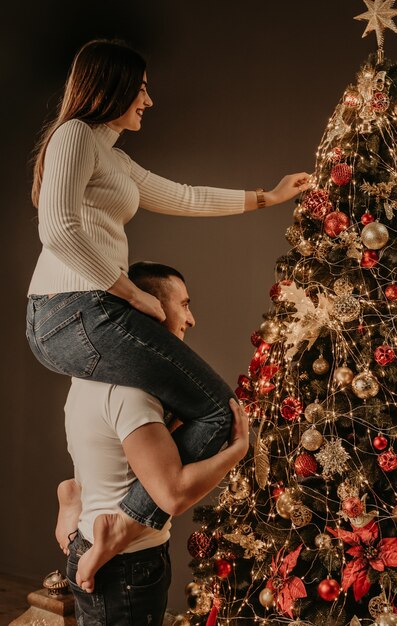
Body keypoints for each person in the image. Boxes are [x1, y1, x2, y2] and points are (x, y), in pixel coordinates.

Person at [25, 38, 309, 580]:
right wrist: (130, 292)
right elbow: (58, 229)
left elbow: (185, 196)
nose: (148, 101)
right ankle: (120, 524)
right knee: (219, 412)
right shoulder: (73, 137)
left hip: (86, 312)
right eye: (142, 88)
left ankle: (86, 517)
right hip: (70, 310)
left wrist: (266, 198)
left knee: (191, 409)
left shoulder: (112, 156)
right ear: (109, 87)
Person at [58, 261, 250, 624]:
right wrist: (236, 450)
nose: (191, 319)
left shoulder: (86, 374)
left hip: (88, 539)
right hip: (127, 566)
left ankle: (74, 496)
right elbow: (173, 494)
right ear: (151, 308)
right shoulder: (132, 395)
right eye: (184, 304)